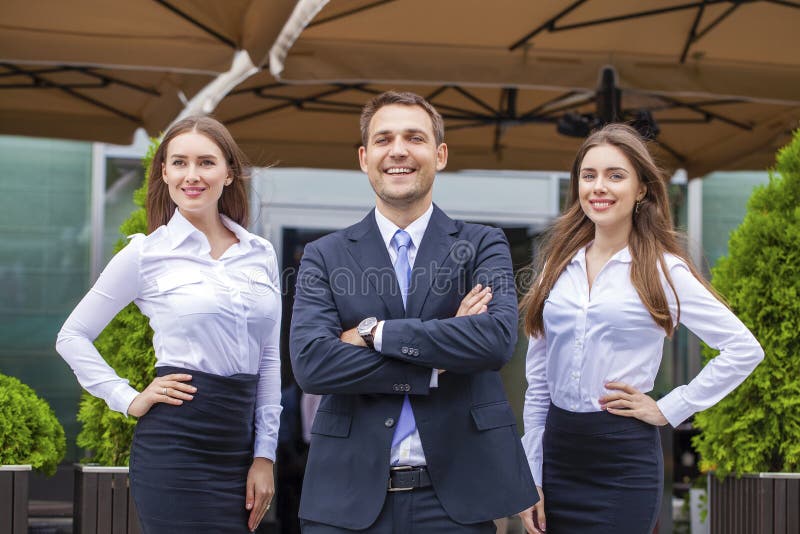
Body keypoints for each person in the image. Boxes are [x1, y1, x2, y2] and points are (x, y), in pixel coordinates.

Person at [289, 91, 537, 533]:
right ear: (364, 158)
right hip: (346, 499)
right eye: (384, 139)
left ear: (439, 155)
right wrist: (437, 357)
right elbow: (312, 364)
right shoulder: (324, 256)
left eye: (414, 138)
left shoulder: (482, 243)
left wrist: (372, 333)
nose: (398, 150)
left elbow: (495, 340)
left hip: (459, 499)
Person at [518, 123, 764, 534]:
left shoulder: (663, 269)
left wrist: (670, 408)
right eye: (589, 175)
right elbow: (538, 381)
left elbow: (743, 348)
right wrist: (531, 474)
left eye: (616, 175)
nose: (600, 187)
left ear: (642, 189)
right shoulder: (555, 266)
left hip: (623, 460)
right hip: (557, 454)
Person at [56, 116, 282, 533]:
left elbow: (269, 359)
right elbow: (72, 336)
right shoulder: (146, 254)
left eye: (206, 163)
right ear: (164, 172)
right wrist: (127, 398)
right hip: (175, 446)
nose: (191, 175)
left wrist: (264, 455)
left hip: (238, 446)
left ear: (229, 172)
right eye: (179, 163)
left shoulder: (260, 253)